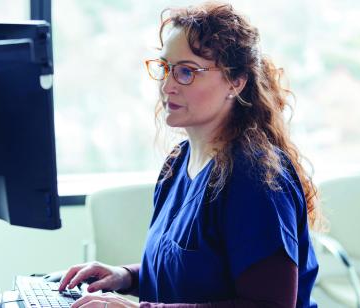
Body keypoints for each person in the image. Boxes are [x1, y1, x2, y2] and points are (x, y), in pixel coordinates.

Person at [59, 2, 322, 307]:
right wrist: (126, 276)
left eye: (187, 71)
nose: (167, 86)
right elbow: (194, 275)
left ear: (235, 82)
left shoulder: (254, 176)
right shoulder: (179, 161)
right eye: (165, 68)